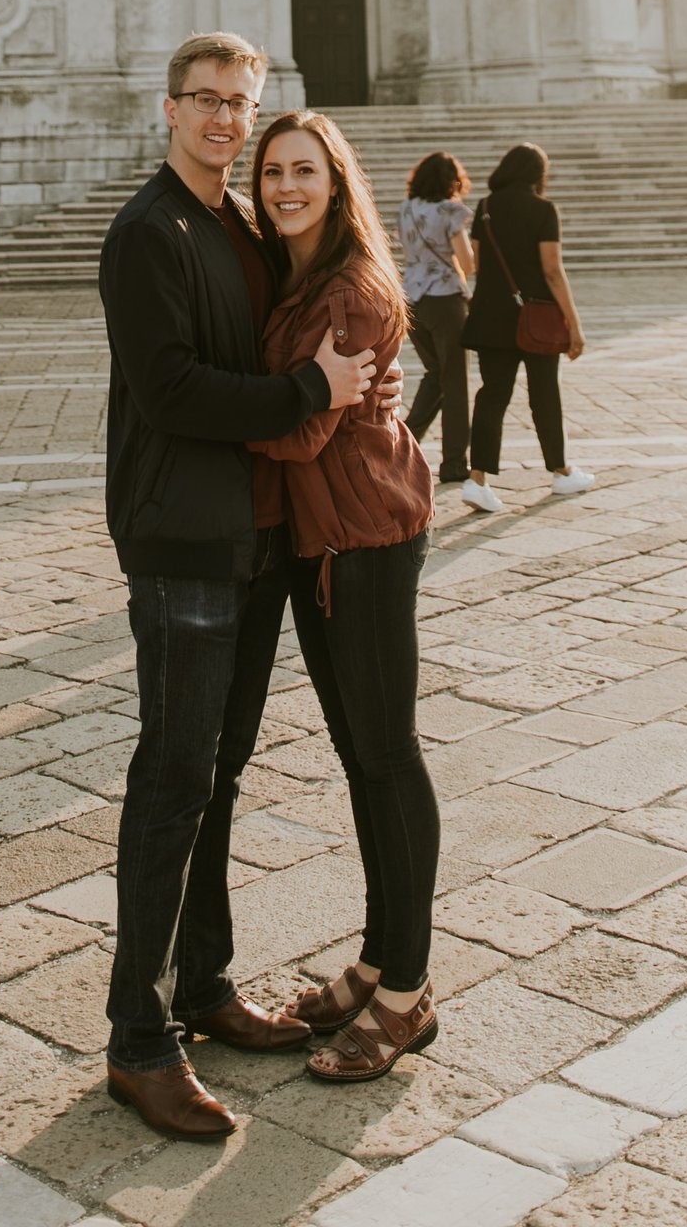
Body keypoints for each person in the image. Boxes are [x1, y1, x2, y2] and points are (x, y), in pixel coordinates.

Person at [98, 33, 379, 1140]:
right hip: (182, 542)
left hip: (252, 542)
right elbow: (169, 392)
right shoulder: (146, 234)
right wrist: (312, 385)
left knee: (219, 774)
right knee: (171, 784)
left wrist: (359, 375)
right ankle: (138, 1036)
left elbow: (297, 333)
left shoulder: (242, 229)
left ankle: (203, 986)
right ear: (169, 108)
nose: (225, 119)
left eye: (241, 104)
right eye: (207, 101)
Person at [249, 111, 441, 1081]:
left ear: (337, 183)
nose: (287, 186)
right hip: (327, 542)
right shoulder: (294, 278)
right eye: (273, 170)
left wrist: (196, 412)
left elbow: (296, 436)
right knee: (364, 759)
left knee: (387, 756)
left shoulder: (351, 290)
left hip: (363, 539)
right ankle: (378, 960)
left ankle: (407, 993)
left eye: (305, 172)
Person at [462, 144, 589, 512]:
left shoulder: (485, 208)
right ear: (538, 175)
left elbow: (478, 264)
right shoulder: (544, 210)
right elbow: (552, 269)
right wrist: (574, 324)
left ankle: (477, 480)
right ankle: (562, 471)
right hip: (537, 317)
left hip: (491, 316)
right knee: (545, 394)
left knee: (492, 397)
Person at [397, 153, 474, 487]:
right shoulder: (450, 211)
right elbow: (468, 263)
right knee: (455, 381)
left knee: (435, 375)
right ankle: (455, 462)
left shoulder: (407, 208)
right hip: (445, 297)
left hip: (412, 296)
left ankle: (402, 444)